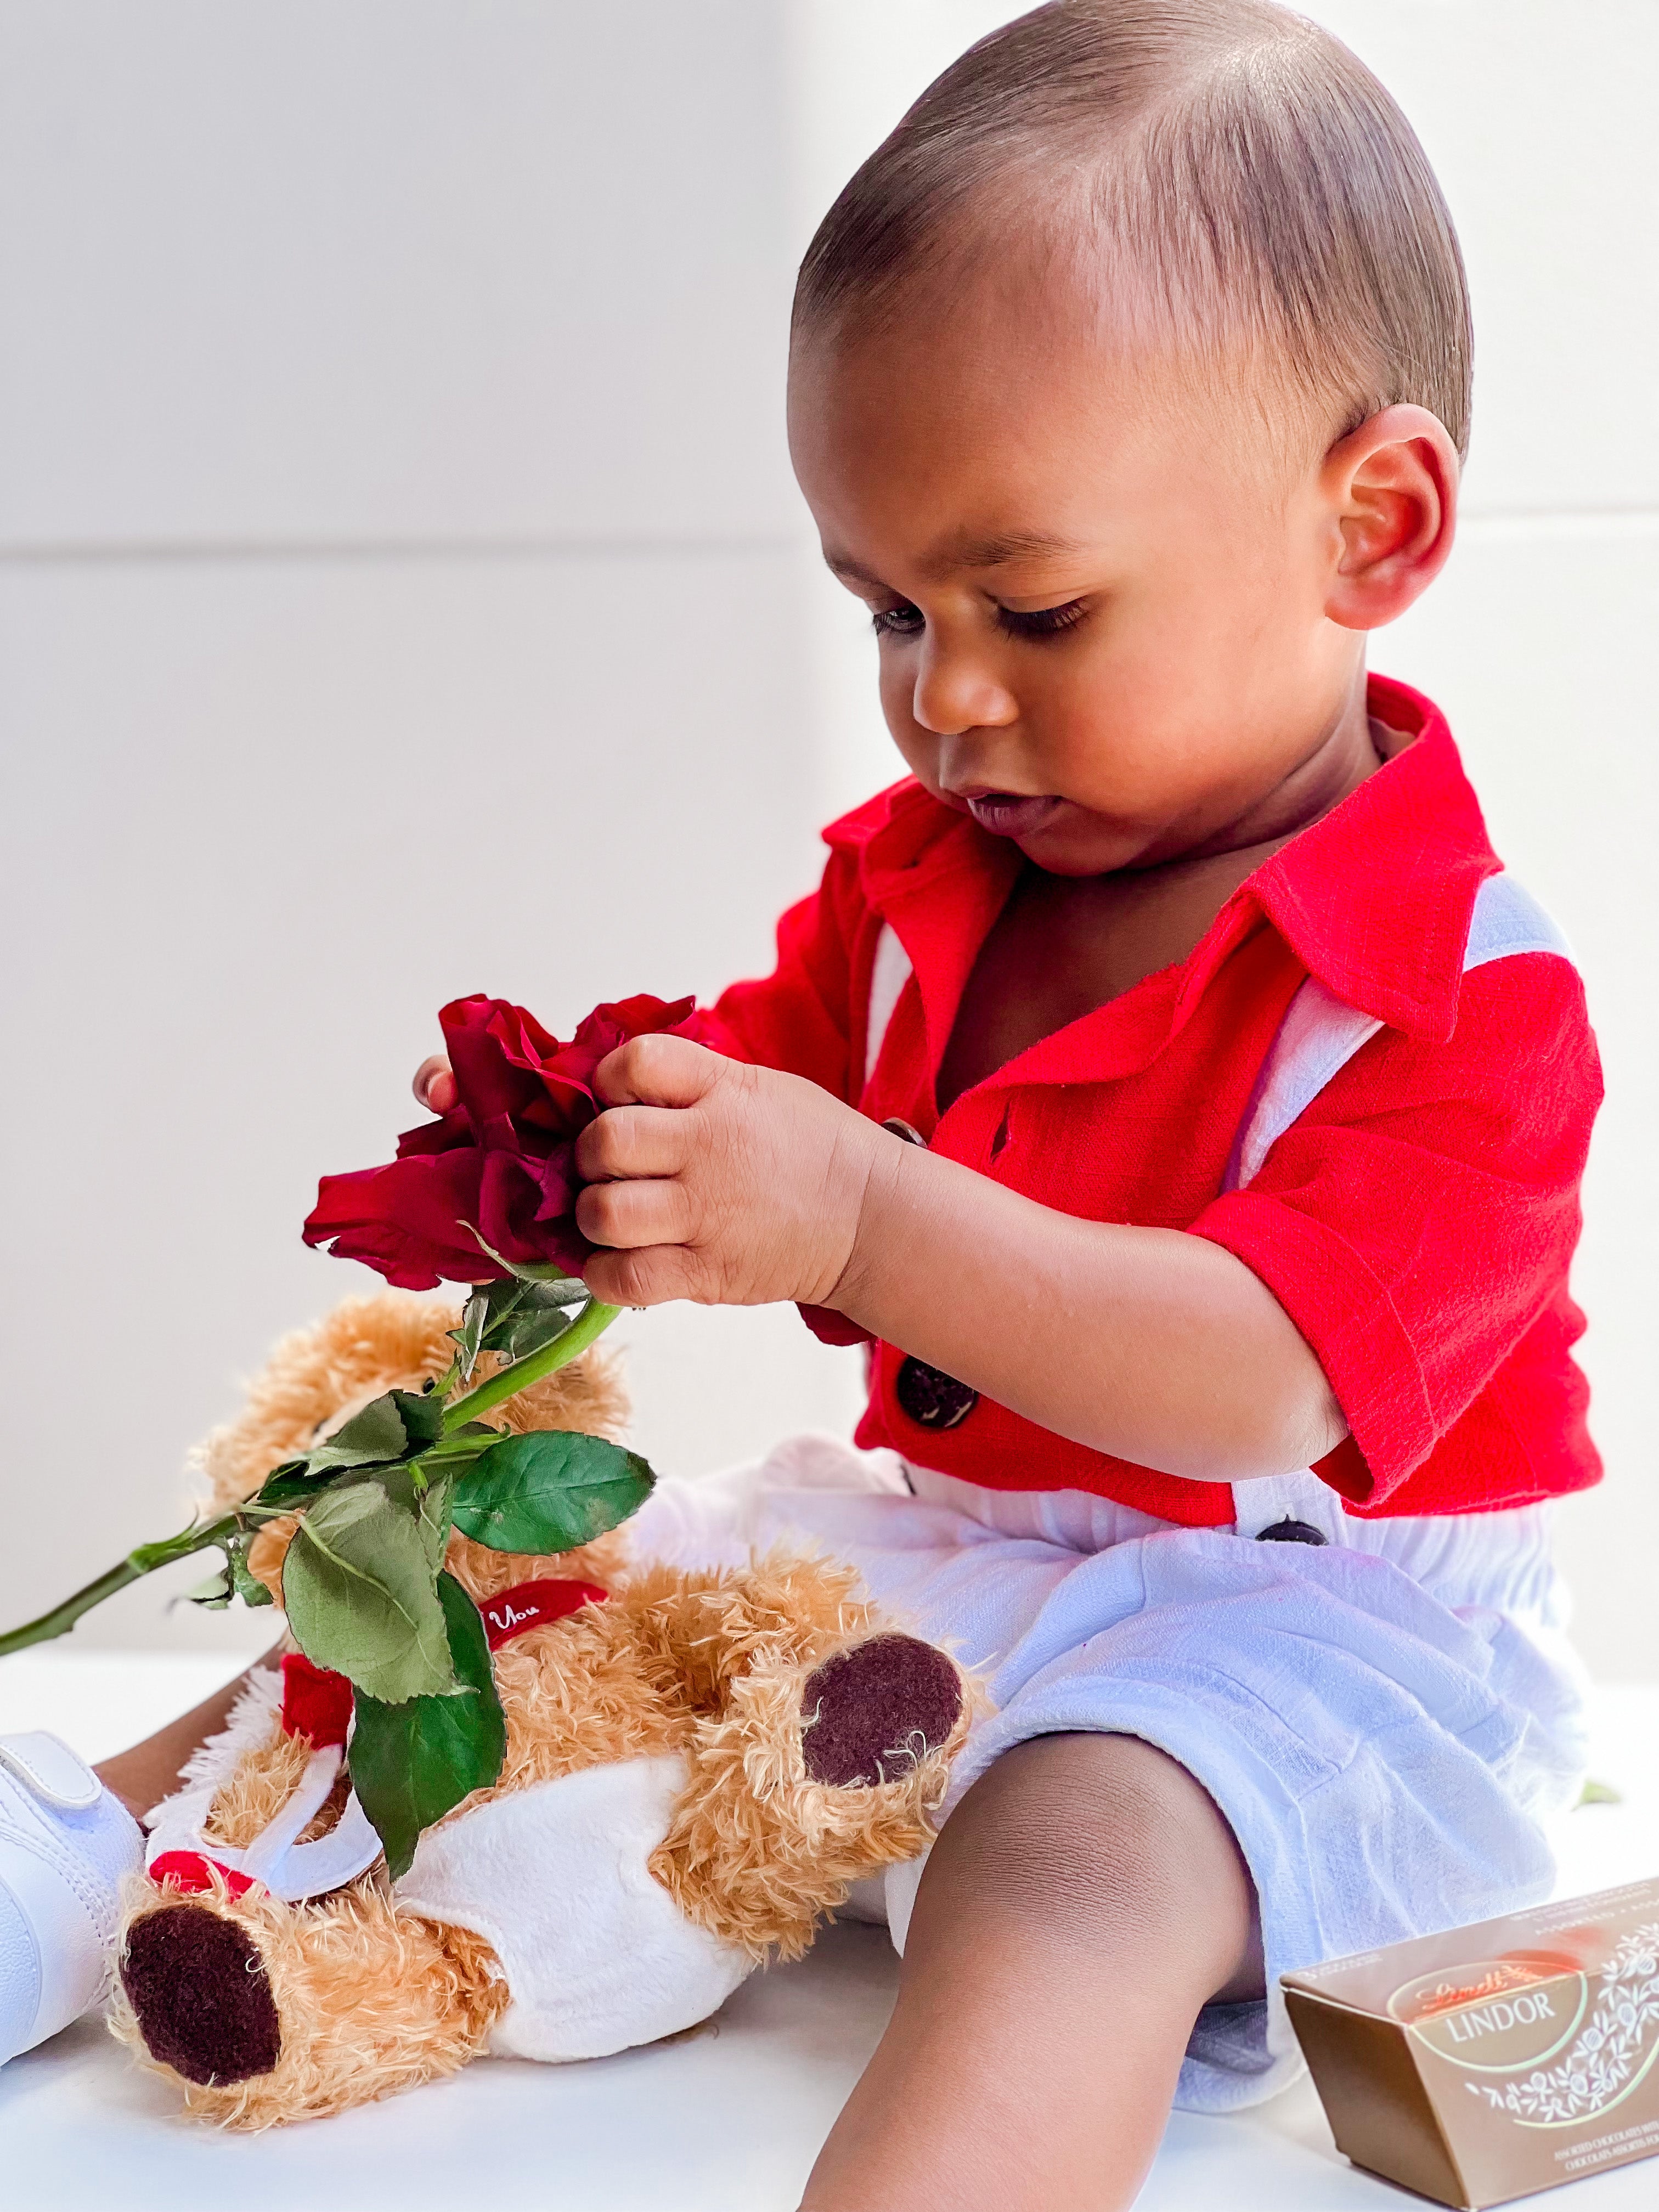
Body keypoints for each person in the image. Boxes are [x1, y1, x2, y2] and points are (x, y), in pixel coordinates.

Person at [1, 6, 1602, 2207]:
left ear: (1374, 523)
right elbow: (761, 1096)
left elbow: (1256, 1381)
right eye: (886, 609)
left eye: (1033, 606)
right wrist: (596, 1156)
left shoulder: (1458, 997)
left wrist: (857, 1220)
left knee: (1080, 1846)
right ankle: (90, 1849)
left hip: (1316, 1639)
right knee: (498, 1598)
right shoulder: (925, 884)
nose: (946, 697)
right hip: (955, 1558)